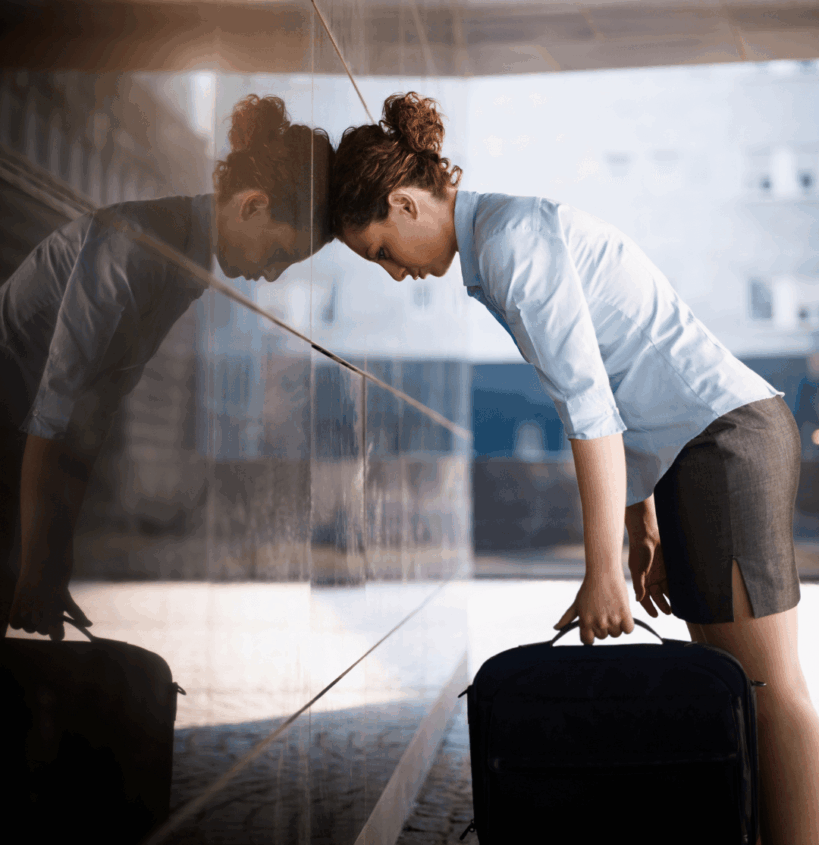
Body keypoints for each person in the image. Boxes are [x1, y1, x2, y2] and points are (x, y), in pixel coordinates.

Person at [328, 90, 819, 845]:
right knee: (735, 696)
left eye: (382, 252)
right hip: (697, 452)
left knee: (767, 689)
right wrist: (639, 517)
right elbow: (618, 382)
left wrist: (602, 575)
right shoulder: (499, 241)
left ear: (404, 203)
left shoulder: (510, 241)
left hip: (724, 443)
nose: (394, 273)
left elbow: (589, 406)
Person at [1, 94, 334, 642]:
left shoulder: (186, 263)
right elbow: (55, 410)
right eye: (277, 255)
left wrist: (52, 563)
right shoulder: (138, 244)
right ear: (251, 205)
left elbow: (93, 417)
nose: (270, 277)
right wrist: (36, 561)